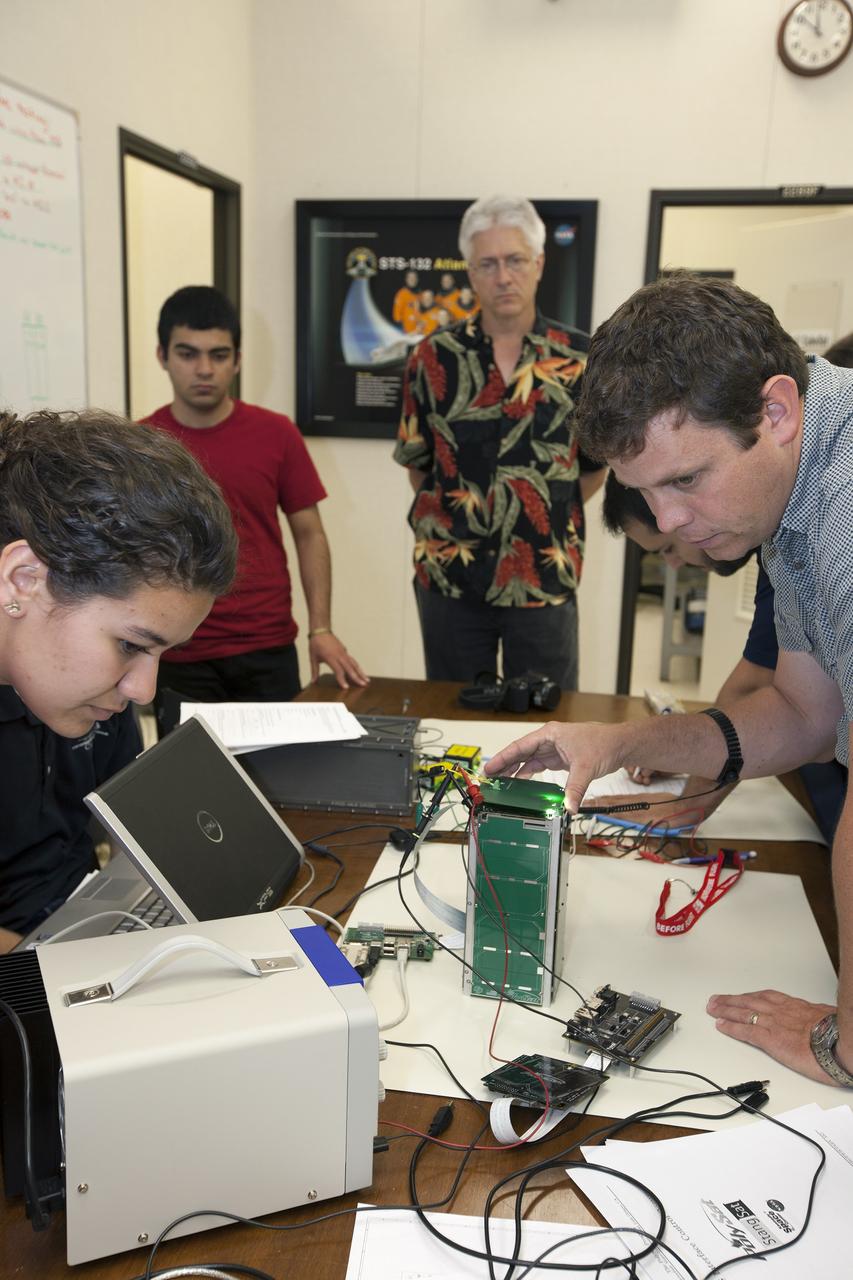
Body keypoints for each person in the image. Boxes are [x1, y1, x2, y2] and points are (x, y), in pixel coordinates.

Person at [485, 272, 853, 1086]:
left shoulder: (844, 511)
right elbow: (804, 715)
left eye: (685, 479)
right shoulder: (792, 496)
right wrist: (620, 741)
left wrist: (845, 1043)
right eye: (643, 491)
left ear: (777, 411)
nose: (670, 522)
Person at [0, 408, 237, 952]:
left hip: (76, 921)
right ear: (26, 579)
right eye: (130, 645)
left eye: (162, 653)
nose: (143, 690)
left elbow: (130, 828)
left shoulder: (95, 692)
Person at [394, 194, 605, 689]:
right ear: (470, 272)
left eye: (514, 260)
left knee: (549, 732)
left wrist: (541, 516)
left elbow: (594, 465)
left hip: (543, 580)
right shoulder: (431, 358)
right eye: (487, 264)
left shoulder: (582, 358)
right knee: (452, 726)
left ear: (538, 263)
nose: (503, 277)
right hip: (450, 576)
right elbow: (418, 463)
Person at [144, 286, 367, 722]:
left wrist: (321, 628)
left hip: (266, 647)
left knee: (278, 786)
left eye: (219, 355)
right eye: (188, 354)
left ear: (238, 359)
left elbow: (310, 534)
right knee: (187, 787)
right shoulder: (144, 445)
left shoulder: (277, 434)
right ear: (162, 356)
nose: (204, 369)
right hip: (178, 648)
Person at [602, 472, 847, 841]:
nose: (672, 565)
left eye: (667, 548)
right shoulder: (777, 544)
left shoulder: (792, 538)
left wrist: (685, 807)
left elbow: (756, 686)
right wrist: (689, 752)